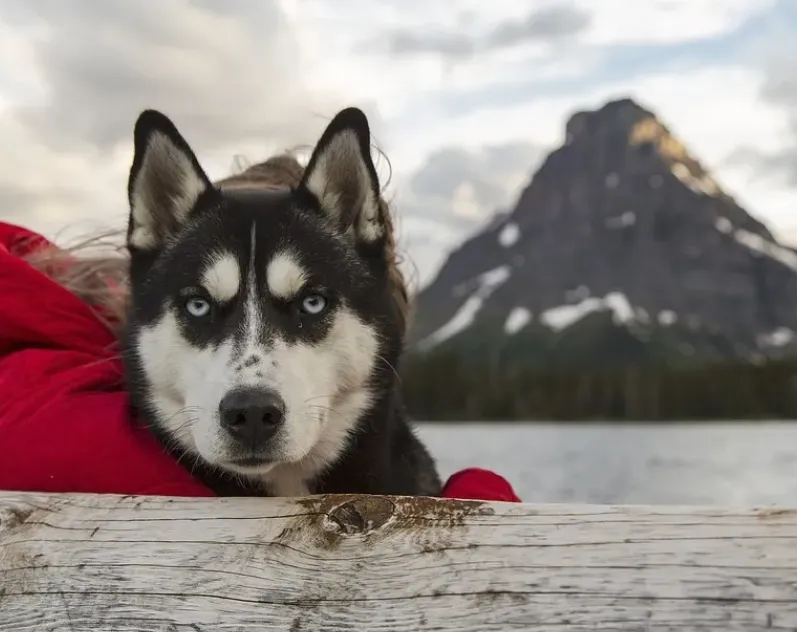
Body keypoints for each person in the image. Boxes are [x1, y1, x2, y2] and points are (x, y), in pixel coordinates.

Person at [0, 154, 521, 503]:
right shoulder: (54, 402)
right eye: (201, 307)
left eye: (311, 303)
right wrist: (480, 509)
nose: (252, 380)